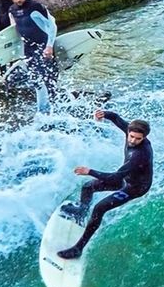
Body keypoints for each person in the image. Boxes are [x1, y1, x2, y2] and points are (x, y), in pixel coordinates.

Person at [58, 109, 153, 260]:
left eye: (138, 139)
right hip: (125, 177)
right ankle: (82, 211)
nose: (133, 141)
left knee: (99, 208)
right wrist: (103, 114)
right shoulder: (130, 130)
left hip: (135, 187)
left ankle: (78, 248)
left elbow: (114, 177)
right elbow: (115, 117)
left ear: (144, 137)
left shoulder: (139, 155)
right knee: (88, 187)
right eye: (132, 136)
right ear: (129, 131)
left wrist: (90, 171)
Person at [8, 0, 58, 97]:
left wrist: (49, 46)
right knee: (35, 78)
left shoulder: (36, 7)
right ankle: (42, 103)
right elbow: (14, 31)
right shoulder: (12, 10)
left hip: (43, 45)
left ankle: (54, 104)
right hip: (28, 48)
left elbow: (52, 25)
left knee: (48, 78)